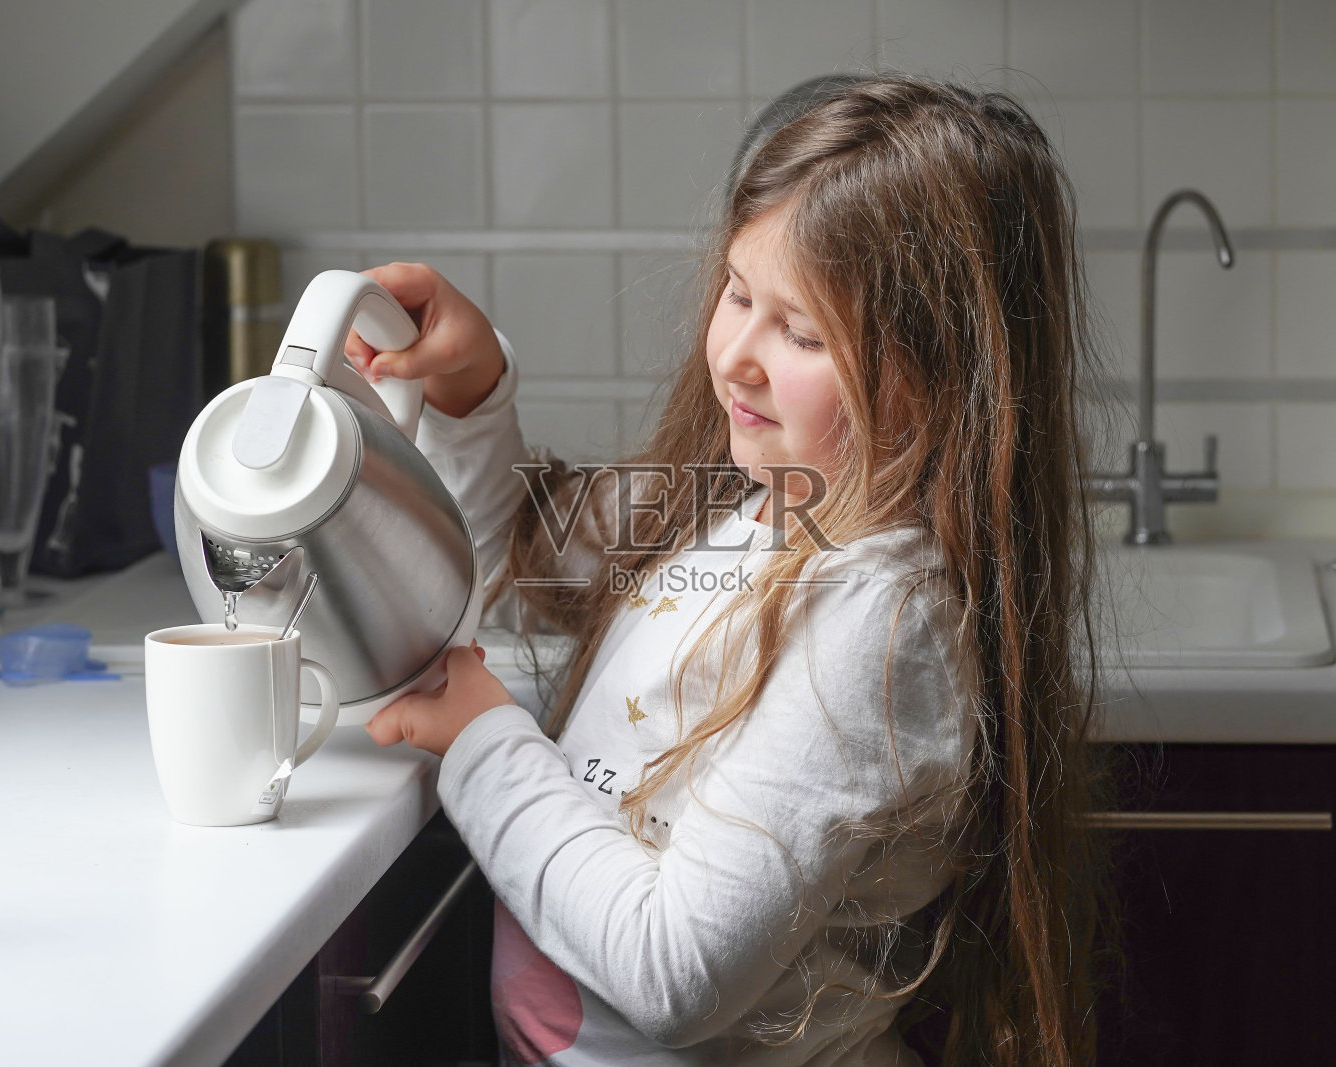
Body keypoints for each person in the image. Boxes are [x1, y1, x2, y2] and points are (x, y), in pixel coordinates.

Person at [351, 73, 1103, 1067]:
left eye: (800, 332)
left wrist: (486, 743)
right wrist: (471, 389)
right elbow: (518, 563)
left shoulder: (878, 622)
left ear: (938, 374)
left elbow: (676, 972)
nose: (736, 354)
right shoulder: (747, 504)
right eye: (738, 293)